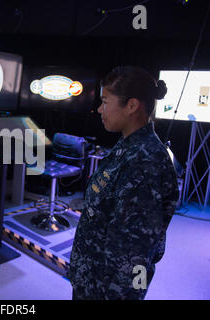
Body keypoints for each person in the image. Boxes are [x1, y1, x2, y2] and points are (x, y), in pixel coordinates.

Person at [68, 66, 179, 300]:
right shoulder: (128, 146)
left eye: (105, 102)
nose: (99, 109)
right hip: (90, 277)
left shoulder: (146, 163)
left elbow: (133, 252)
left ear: (131, 106)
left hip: (106, 291)